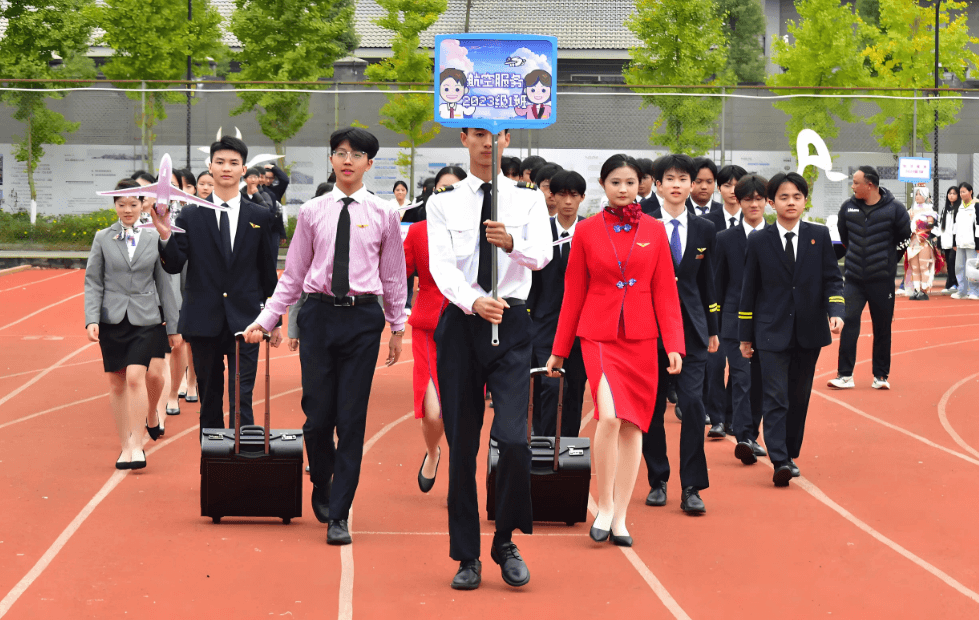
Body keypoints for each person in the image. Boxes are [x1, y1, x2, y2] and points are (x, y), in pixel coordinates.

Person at [242, 127, 407, 547]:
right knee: (317, 418)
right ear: (331, 160)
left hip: (363, 319)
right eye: (340, 152)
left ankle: (339, 512)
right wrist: (266, 320)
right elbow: (293, 275)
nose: (347, 159)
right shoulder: (313, 211)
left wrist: (396, 326)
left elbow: (393, 274)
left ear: (370, 163)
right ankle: (322, 478)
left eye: (357, 154)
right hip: (318, 316)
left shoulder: (385, 213)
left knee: (351, 419)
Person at [427, 127, 551, 591]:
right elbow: (440, 266)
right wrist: (472, 301)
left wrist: (511, 245)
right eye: (479, 134)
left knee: (514, 440)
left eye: (497, 135)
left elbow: (541, 256)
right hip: (462, 325)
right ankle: (467, 556)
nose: (488, 143)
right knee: (463, 446)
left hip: (514, 325)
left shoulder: (528, 200)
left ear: (508, 139)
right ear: (464, 138)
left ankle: (504, 539)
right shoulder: (443, 201)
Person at [546, 156, 684, 548]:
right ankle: (603, 504)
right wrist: (560, 349)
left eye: (630, 182)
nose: (623, 189)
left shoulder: (655, 231)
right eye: (615, 182)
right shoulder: (587, 231)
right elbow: (573, 293)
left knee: (633, 425)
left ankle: (620, 517)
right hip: (599, 336)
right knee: (608, 417)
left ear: (641, 184)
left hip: (642, 338)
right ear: (603, 186)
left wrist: (674, 344)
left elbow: (665, 293)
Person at [150, 135, 281, 434]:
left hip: (247, 323)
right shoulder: (191, 214)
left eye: (233, 163)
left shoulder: (260, 216)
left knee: (241, 400)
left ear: (244, 169)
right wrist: (165, 234)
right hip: (203, 320)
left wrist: (274, 320)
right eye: (220, 162)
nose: (226, 168)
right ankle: (213, 471)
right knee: (210, 401)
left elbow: (266, 273)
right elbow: (173, 264)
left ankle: (243, 470)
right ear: (209, 166)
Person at [739, 172, 845, 486]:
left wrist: (836, 311)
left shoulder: (819, 235)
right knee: (776, 396)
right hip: (770, 332)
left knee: (798, 397)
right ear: (772, 202)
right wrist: (746, 336)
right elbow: (749, 290)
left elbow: (832, 278)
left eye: (797, 197)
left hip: (808, 331)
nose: (791, 203)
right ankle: (780, 459)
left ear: (805, 201)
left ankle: (790, 452)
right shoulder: (759, 240)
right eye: (783, 197)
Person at [641, 153, 719, 514]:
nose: (677, 184)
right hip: (648, 328)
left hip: (691, 329)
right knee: (651, 407)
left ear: (692, 184)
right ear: (657, 184)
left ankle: (692, 486)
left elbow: (708, 283)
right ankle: (657, 478)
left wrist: (713, 329)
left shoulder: (706, 227)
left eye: (683, 178)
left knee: (692, 404)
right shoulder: (642, 221)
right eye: (669, 178)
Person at [84, 179, 180, 469]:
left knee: (137, 377)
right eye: (121, 204)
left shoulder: (154, 238)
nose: (127, 210)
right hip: (112, 318)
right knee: (116, 383)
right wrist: (91, 319)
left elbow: (165, 285)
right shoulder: (102, 238)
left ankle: (137, 445)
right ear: (114, 205)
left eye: (133, 204)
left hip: (146, 317)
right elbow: (93, 281)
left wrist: (174, 327)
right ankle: (125, 443)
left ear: (143, 205)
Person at [829, 166, 911, 390]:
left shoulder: (895, 209)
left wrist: (888, 260)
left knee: (882, 327)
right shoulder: (848, 207)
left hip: (882, 280)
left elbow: (905, 239)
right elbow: (844, 237)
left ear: (870, 185)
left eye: (856, 183)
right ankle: (845, 375)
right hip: (854, 279)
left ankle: (881, 376)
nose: (852, 187)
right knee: (848, 323)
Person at [713, 175, 770, 464]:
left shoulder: (776, 237)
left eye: (759, 198)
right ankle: (745, 437)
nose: (754, 204)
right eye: (748, 199)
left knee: (760, 382)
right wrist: (716, 325)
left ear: (767, 201)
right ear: (739, 200)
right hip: (734, 322)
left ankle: (752, 433)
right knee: (742, 378)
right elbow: (718, 284)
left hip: (768, 323)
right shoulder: (724, 239)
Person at [528, 170, 588, 439]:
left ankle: (568, 453)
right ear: (551, 196)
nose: (567, 201)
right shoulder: (540, 231)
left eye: (573, 195)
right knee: (548, 388)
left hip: (582, 327)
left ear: (582, 198)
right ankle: (543, 447)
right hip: (544, 325)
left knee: (574, 391)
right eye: (561, 194)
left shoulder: (589, 232)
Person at [702, 163, 748, 436]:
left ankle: (732, 417)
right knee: (715, 365)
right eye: (727, 185)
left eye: (737, 185)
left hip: (744, 310)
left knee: (741, 369)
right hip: (714, 307)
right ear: (719, 189)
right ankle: (717, 417)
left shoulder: (753, 221)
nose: (733, 191)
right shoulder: (709, 223)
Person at [905, 187, 941, 300]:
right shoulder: (910, 211)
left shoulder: (930, 211)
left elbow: (931, 227)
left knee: (923, 266)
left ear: (925, 196)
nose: (917, 196)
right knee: (914, 267)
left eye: (920, 194)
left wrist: (921, 232)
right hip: (913, 241)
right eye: (916, 194)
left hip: (924, 241)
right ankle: (916, 290)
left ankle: (924, 289)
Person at [951, 182, 979, 299]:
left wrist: (978, 244)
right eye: (960, 192)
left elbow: (978, 226)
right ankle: (962, 290)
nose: (961, 194)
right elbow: (955, 226)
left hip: (971, 243)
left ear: (970, 192)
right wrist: (954, 242)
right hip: (960, 243)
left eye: (964, 192)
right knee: (959, 267)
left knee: (972, 268)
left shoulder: (976, 206)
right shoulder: (959, 207)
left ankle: (974, 291)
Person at [939, 186, 960, 292]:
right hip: (946, 240)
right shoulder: (945, 209)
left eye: (954, 193)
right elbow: (941, 228)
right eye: (949, 193)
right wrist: (939, 242)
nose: (951, 195)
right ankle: (950, 283)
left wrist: (955, 241)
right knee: (948, 261)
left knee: (953, 261)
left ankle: (955, 283)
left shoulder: (959, 208)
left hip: (955, 242)